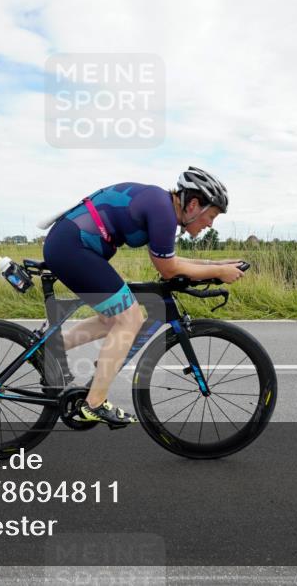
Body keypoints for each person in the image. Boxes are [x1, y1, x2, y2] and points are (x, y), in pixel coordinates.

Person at [41, 167, 245, 427]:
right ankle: (94, 403)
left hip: (71, 245)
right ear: (194, 205)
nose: (210, 224)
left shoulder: (161, 206)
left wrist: (219, 264)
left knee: (113, 319)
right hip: (73, 247)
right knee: (130, 318)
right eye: (212, 216)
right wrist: (217, 271)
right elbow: (169, 269)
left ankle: (54, 346)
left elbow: (170, 260)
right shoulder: (163, 212)